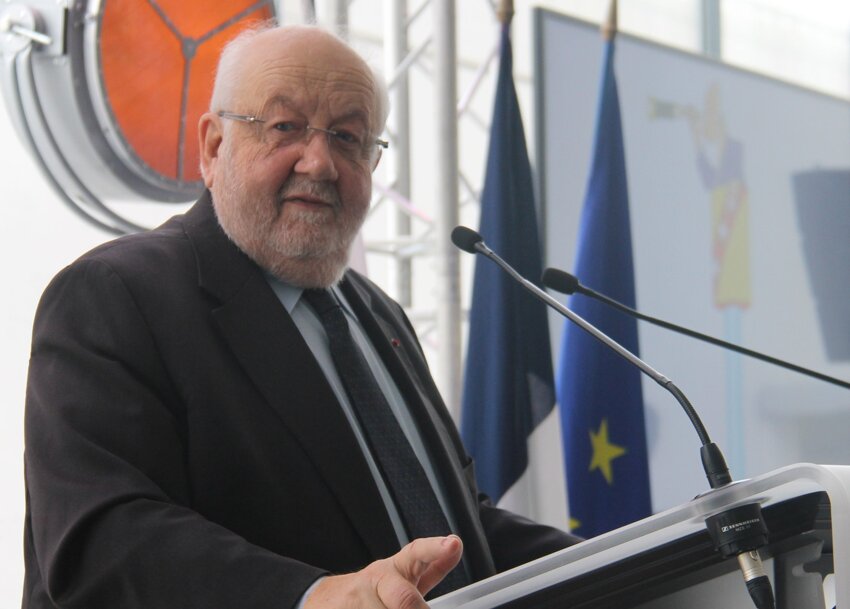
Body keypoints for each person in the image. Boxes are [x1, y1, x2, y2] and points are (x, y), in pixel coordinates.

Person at [22, 24, 579, 609]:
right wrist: (311, 597)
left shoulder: (378, 314)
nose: (320, 163)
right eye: (285, 127)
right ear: (213, 147)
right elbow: (101, 540)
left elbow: (449, 526)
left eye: (348, 137)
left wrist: (628, 557)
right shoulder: (115, 295)